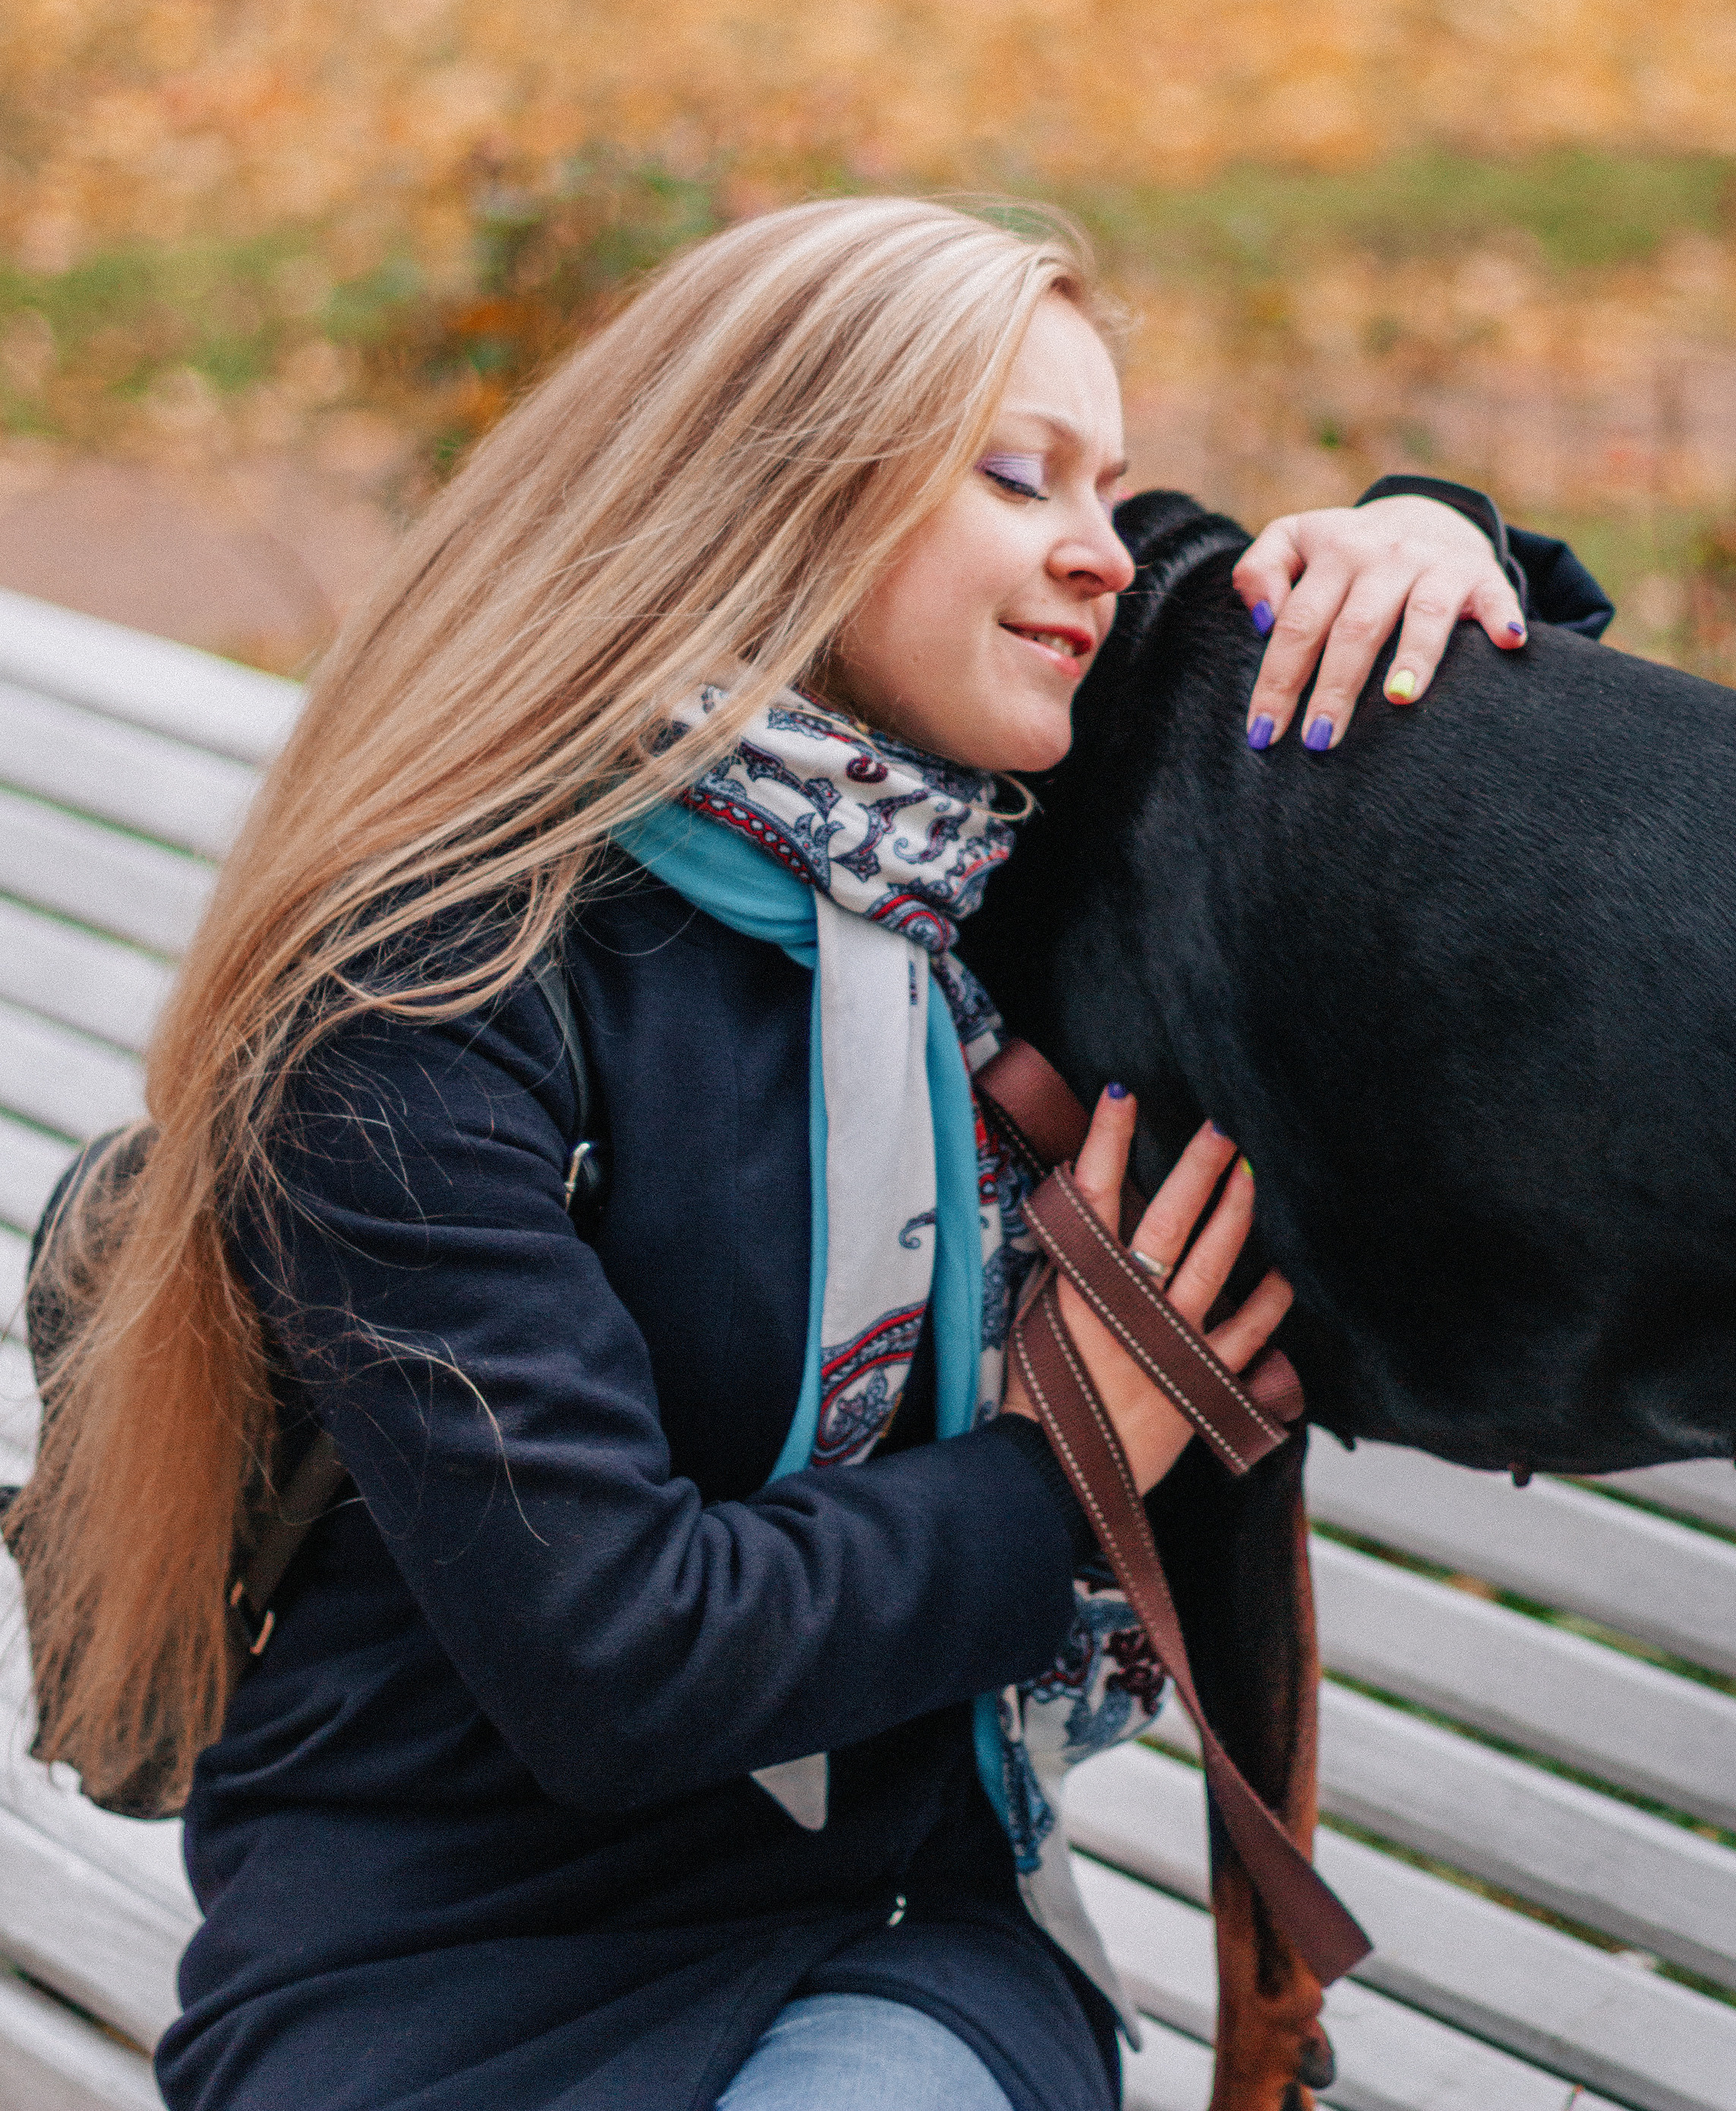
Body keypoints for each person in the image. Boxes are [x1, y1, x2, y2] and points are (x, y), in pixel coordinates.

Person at [15, 198, 1585, 2111]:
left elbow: (1546, 879)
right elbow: (620, 1661)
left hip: (898, 1945)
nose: (1101, 547)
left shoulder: (990, 873)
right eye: (1021, 476)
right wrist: (1061, 1459)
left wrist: (1435, 538)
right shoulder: (424, 986)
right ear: (781, 500)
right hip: (422, 1963)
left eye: (1112, 480)